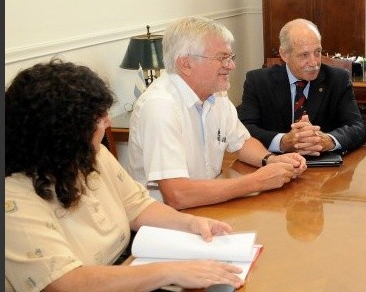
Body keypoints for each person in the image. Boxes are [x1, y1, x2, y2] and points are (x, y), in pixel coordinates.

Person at [5, 59, 246, 292]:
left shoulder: (91, 157)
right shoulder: (10, 202)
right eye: (98, 117)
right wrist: (170, 271)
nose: (107, 122)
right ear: (62, 132)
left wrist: (192, 224)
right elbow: (68, 288)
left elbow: (138, 206)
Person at [127, 16, 307, 210]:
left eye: (230, 57)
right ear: (186, 64)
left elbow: (241, 142)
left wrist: (271, 160)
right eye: (222, 58)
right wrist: (258, 181)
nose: (231, 65)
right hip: (168, 225)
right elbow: (177, 195)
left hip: (207, 208)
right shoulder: (159, 107)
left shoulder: (216, 93)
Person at [237, 18, 366, 156]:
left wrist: (327, 141)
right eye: (304, 55)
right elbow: (244, 129)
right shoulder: (258, 82)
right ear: (284, 54)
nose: (314, 62)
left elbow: (357, 128)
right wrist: (282, 142)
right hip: (275, 162)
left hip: (326, 166)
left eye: (317, 52)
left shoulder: (338, 79)